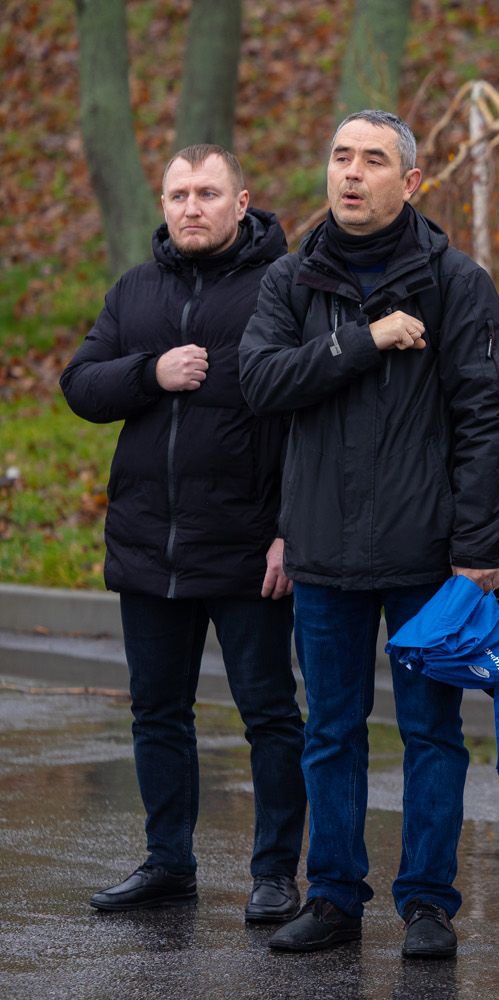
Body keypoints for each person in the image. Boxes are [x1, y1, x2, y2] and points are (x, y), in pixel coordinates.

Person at [239, 110, 499, 959]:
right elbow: (260, 383)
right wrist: (363, 340)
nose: (351, 174)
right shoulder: (291, 281)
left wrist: (475, 555)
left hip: (427, 558)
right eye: (340, 158)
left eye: (373, 161)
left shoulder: (455, 281)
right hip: (322, 551)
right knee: (332, 730)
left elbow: (482, 422)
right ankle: (333, 899)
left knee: (431, 734)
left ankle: (428, 904)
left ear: (412, 182)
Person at [60, 144, 306, 924]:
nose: (191, 206)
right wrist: (150, 372)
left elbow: (312, 420)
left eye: (207, 192)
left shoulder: (286, 286)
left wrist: (288, 532)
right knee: (156, 711)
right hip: (148, 546)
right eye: (178, 193)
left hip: (248, 547)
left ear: (242, 202)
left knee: (269, 712)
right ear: (162, 205)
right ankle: (168, 863)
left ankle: (275, 875)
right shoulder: (135, 290)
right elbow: (80, 384)